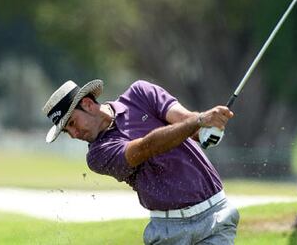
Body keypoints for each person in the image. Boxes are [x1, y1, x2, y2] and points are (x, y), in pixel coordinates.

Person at [43, 79, 239, 244]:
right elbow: (145, 148)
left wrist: (208, 127)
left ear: (87, 104)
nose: (74, 134)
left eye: (72, 124)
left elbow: (186, 120)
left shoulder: (140, 93)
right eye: (67, 132)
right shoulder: (97, 155)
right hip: (168, 232)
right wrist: (198, 121)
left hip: (215, 217)